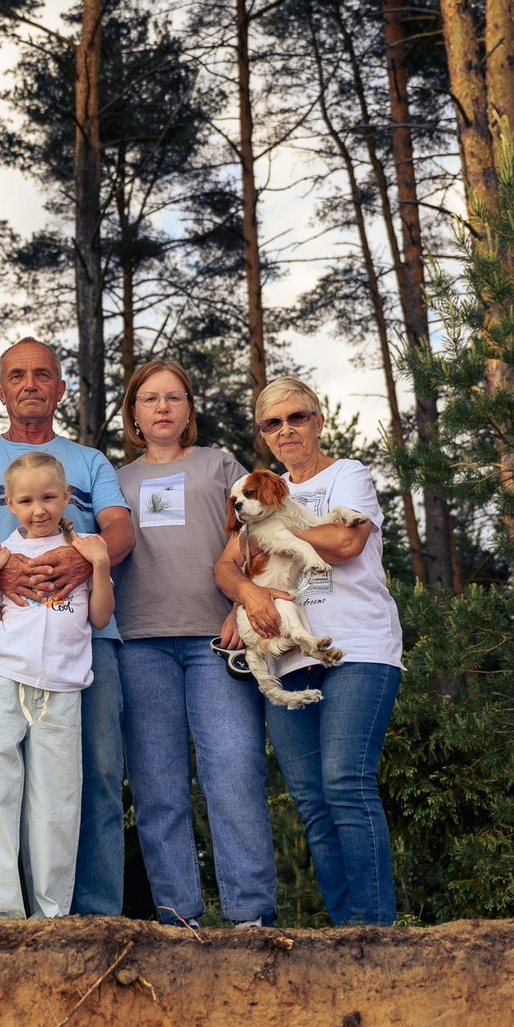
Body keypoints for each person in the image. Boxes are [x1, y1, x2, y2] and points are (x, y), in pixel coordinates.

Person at [0, 338, 133, 915]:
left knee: (95, 773)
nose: (30, 383)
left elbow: (120, 530)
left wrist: (81, 560)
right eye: (17, 375)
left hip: (85, 640)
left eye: (42, 374)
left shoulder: (90, 461)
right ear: (0, 390)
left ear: (60, 387)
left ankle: (91, 913)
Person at [214, 376, 403, 926]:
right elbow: (226, 564)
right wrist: (247, 591)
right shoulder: (262, 489)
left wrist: (277, 523)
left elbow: (346, 544)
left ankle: (376, 932)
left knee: (346, 781)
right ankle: (348, 935)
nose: (286, 430)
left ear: (318, 420)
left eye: (296, 417)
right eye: (272, 423)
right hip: (286, 656)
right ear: (264, 435)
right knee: (314, 805)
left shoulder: (348, 475)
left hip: (357, 645)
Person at [114, 361, 277, 928]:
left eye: (174, 398)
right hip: (138, 646)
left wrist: (242, 602)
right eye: (150, 399)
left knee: (234, 772)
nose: (162, 408)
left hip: (217, 640)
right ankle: (180, 919)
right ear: (133, 412)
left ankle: (250, 916)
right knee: (158, 789)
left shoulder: (220, 466)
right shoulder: (116, 481)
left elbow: (254, 538)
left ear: (189, 409)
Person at [0, 452, 114, 917]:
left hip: (63, 687)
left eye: (49, 497)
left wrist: (101, 567)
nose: (39, 509)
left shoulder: (85, 551)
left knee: (56, 801)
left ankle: (52, 915)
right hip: (3, 678)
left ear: (67, 497)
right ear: (9, 503)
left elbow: (101, 616)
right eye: (26, 500)